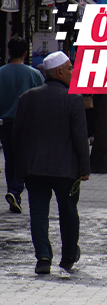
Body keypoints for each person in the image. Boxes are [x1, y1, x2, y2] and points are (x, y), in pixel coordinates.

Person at [11, 51, 89, 274]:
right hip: (66, 168)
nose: (73, 72)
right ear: (60, 72)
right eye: (71, 68)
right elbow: (79, 137)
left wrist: (20, 166)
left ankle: (43, 257)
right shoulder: (73, 99)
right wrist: (84, 167)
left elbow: (17, 135)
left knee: (38, 214)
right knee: (68, 211)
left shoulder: (27, 98)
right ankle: (68, 256)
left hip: (35, 168)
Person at [1, 37, 45, 214]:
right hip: (27, 123)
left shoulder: (1, 73)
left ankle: (14, 195)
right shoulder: (34, 74)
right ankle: (15, 190)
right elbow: (43, 98)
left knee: (10, 159)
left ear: (9, 52)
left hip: (5, 124)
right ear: (26, 53)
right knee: (25, 160)